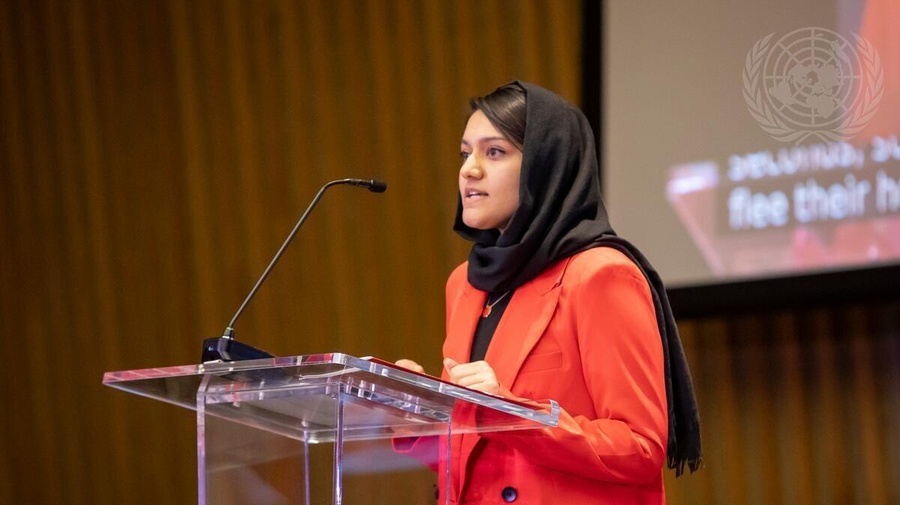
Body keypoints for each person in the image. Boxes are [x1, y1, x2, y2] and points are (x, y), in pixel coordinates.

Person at [395, 81, 701, 504]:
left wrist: (514, 413)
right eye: (466, 153)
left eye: (494, 152)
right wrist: (416, 413)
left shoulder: (600, 275)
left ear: (545, 166)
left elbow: (640, 447)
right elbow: (481, 455)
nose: (468, 169)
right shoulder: (465, 283)